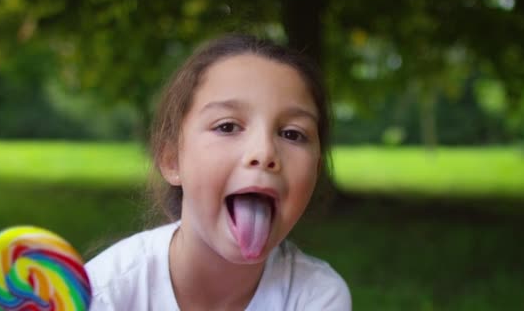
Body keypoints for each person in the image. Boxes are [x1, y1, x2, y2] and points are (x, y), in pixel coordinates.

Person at [85, 33, 351, 310]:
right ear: (172, 160)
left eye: (292, 134)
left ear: (315, 172)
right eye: (227, 126)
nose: (264, 152)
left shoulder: (316, 296)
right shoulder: (106, 293)